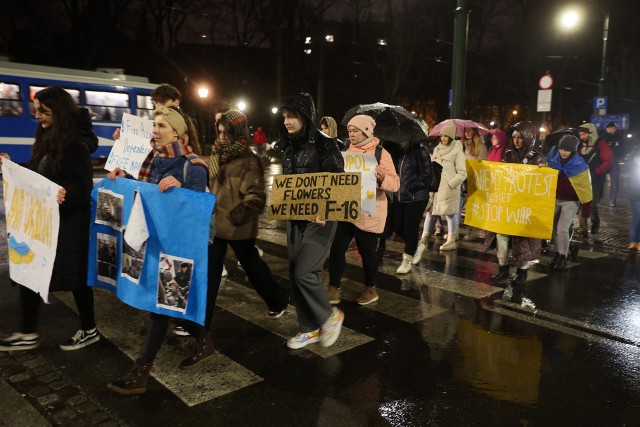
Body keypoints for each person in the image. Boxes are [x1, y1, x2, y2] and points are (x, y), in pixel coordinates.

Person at [107, 106, 210, 395]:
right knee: (170, 305)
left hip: (178, 247)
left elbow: (196, 210)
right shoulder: (149, 159)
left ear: (177, 133)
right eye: (155, 124)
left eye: (162, 125)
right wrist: (121, 175)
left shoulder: (194, 165)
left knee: (161, 307)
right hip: (152, 242)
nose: (155, 129)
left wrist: (182, 187)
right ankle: (205, 341)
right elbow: (141, 190)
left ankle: (141, 371)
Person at [0, 86, 100, 352]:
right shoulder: (46, 137)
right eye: (36, 111)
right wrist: (12, 167)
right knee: (29, 271)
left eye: (44, 112)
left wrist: (65, 194)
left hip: (68, 224)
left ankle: (89, 329)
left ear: (60, 112)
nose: (38, 117)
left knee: (77, 279)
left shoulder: (74, 145)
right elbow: (36, 173)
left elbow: (82, 187)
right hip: (43, 220)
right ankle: (28, 332)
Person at [273, 92, 345, 350]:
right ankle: (308, 328)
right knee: (295, 273)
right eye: (284, 117)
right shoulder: (288, 146)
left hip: (321, 219)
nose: (287, 122)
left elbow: (338, 181)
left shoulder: (326, 144)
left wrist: (324, 209)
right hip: (296, 218)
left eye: (291, 116)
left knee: (306, 271)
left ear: (305, 116)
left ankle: (329, 316)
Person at [206, 109, 289, 322]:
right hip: (216, 225)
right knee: (210, 274)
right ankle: (200, 320)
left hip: (238, 226)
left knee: (254, 269)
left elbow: (255, 197)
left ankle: (277, 300)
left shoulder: (248, 160)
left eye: (227, 133)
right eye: (220, 132)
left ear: (238, 132)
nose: (222, 137)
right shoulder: (217, 155)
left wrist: (234, 217)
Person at [326, 115, 399, 305]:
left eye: (355, 130)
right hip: (346, 209)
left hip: (368, 212)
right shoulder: (344, 150)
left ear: (366, 131)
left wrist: (382, 178)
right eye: (349, 130)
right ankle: (334, 287)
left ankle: (370, 288)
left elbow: (395, 183)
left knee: (367, 252)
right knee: (337, 248)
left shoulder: (381, 154)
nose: (351, 134)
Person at [483, 121, 545, 286]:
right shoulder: (508, 154)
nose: (517, 141)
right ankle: (502, 268)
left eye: (520, 138)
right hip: (508, 203)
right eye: (514, 137)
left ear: (528, 138)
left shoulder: (537, 157)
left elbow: (542, 182)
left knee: (523, 239)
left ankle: (522, 271)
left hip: (525, 205)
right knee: (501, 235)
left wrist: (542, 170)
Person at [415, 122, 467, 261]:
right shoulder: (437, 149)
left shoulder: (457, 151)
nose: (443, 138)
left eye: (446, 136)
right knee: (430, 212)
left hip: (448, 189)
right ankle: (424, 239)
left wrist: (451, 184)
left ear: (451, 137)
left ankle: (451, 240)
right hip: (435, 188)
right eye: (442, 136)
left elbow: (462, 173)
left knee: (449, 214)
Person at [545, 135, 593, 270]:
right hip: (555, 199)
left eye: (567, 150)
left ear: (573, 150)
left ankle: (562, 256)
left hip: (571, 202)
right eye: (561, 149)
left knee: (562, 229)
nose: (563, 152)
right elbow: (546, 176)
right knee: (553, 229)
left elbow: (585, 188)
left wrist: (586, 208)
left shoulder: (580, 165)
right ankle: (556, 253)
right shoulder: (554, 162)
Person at [393, 139, 432, 274]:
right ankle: (417, 245)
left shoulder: (421, 151)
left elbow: (427, 176)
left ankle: (407, 259)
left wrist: (411, 187)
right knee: (396, 225)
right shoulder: (401, 152)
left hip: (417, 197)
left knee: (410, 227)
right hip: (401, 195)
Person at [577, 123, 613, 237]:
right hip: (582, 178)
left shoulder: (601, 143)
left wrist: (598, 170)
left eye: (584, 134)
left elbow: (609, 160)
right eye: (580, 135)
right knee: (582, 203)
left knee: (591, 204)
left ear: (591, 133)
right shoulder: (580, 145)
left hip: (595, 179)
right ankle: (583, 229)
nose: (582, 137)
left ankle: (595, 223)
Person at [460, 127, 488, 241]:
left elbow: (482, 165)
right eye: (465, 130)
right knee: (460, 208)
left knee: (472, 208)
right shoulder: (462, 146)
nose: (467, 133)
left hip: (474, 182)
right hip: (463, 181)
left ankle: (471, 232)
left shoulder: (481, 147)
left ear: (475, 132)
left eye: (470, 130)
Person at [603, 122, 625, 207]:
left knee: (615, 183)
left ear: (615, 129)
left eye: (612, 129)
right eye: (608, 129)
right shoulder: (603, 138)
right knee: (597, 181)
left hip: (614, 163)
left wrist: (619, 158)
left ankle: (612, 199)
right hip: (604, 163)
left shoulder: (619, 138)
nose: (610, 130)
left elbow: (623, 149)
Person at [627, 147, 640, 250]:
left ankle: (635, 241)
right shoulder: (634, 169)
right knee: (637, 217)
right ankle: (634, 241)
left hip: (635, 195)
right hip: (636, 196)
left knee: (637, 217)